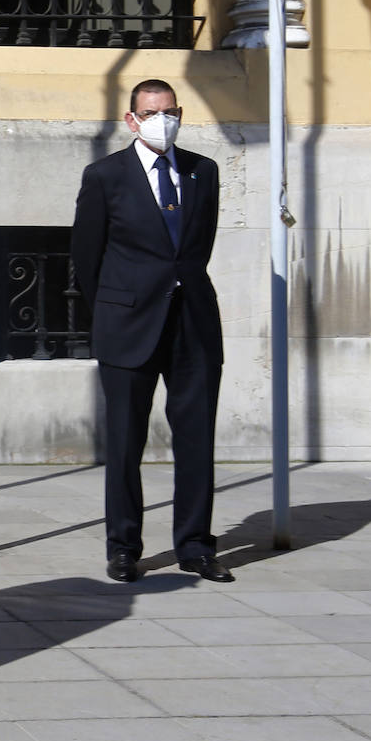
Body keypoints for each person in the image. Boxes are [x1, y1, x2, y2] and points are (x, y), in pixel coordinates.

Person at [69, 79, 234, 584]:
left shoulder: (203, 171)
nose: (162, 121)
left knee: (196, 440)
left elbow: (198, 246)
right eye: (150, 113)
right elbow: (86, 256)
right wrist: (113, 310)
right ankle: (123, 547)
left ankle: (196, 546)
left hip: (193, 324)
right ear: (132, 120)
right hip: (128, 325)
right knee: (125, 442)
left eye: (170, 112)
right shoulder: (105, 176)